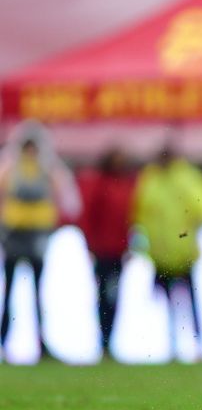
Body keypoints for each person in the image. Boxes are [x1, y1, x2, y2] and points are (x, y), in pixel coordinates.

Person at [130, 145, 202, 362]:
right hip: (159, 256)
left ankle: (198, 347)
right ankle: (173, 347)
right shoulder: (151, 179)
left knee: (189, 303)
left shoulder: (183, 178)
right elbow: (139, 214)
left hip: (183, 255)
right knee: (170, 303)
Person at [0, 120, 82, 361]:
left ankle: (40, 342)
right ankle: (5, 340)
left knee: (36, 291)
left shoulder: (47, 168)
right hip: (14, 235)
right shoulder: (10, 167)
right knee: (11, 291)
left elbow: (67, 195)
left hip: (37, 235)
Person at [77, 147, 137, 358]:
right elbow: (89, 217)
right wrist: (90, 245)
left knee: (113, 296)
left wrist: (130, 246)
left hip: (118, 252)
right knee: (104, 296)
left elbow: (130, 220)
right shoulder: (101, 185)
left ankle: (109, 340)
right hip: (102, 250)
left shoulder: (126, 185)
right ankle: (103, 340)